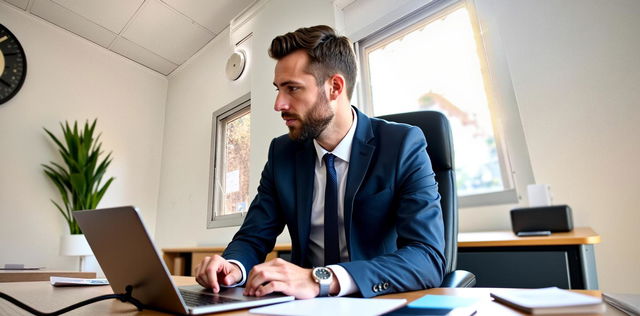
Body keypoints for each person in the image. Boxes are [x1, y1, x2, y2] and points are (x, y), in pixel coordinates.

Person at [194, 25, 445, 299]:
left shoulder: (402, 144)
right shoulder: (282, 153)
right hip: (302, 305)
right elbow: (254, 236)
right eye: (278, 89)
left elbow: (427, 256)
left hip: (376, 299)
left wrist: (321, 279)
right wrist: (233, 266)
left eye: (293, 89)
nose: (279, 104)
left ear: (335, 87)